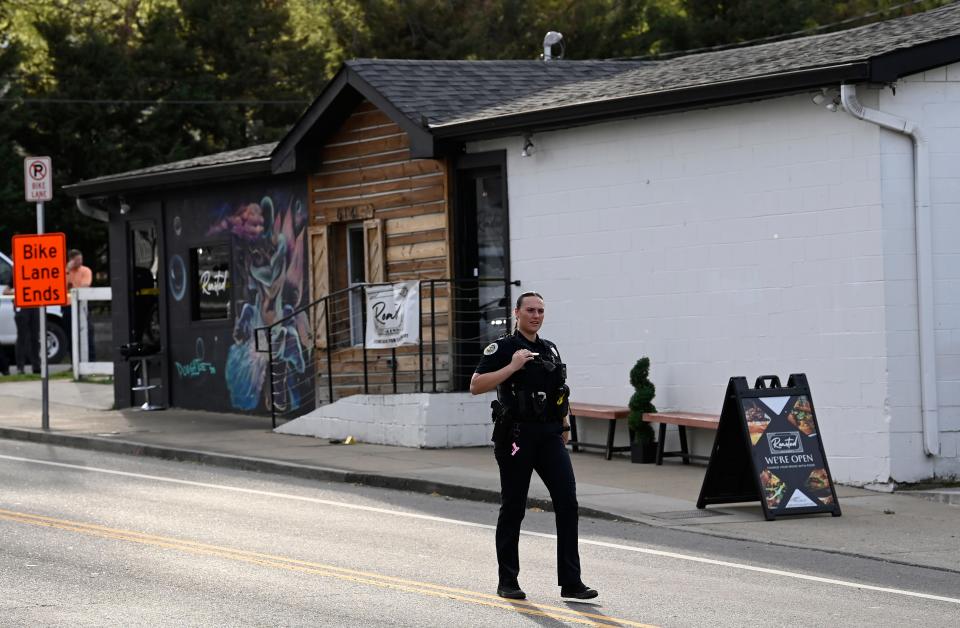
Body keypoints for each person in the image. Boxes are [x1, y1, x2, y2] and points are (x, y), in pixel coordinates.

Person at [470, 291, 598, 601]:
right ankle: (508, 581)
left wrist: (565, 424)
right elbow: (476, 385)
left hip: (550, 435)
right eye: (530, 310)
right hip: (515, 436)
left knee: (567, 502)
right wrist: (512, 367)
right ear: (517, 312)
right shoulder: (503, 348)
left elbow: (559, 390)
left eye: (540, 310)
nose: (536, 315)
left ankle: (571, 582)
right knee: (514, 507)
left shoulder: (549, 348)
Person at [65, 249, 95, 360]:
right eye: (77, 260)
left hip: (82, 306)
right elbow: (62, 286)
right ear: (71, 260)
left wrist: (73, 289)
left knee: (88, 332)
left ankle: (91, 360)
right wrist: (67, 271)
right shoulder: (65, 271)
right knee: (70, 335)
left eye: (80, 259)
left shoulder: (86, 270)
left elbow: (85, 286)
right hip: (68, 306)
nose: (80, 262)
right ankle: (74, 362)